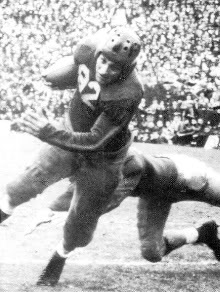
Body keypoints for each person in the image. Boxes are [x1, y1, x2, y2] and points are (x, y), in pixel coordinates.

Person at [35, 147, 220, 286]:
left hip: (189, 177)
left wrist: (60, 251)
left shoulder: (127, 163)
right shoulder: (97, 165)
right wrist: (50, 208)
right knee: (152, 252)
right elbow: (79, 192)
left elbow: (106, 201)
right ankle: (203, 233)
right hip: (157, 193)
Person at [0, 25, 143, 279]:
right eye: (103, 61)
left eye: (114, 67)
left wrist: (48, 133)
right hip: (71, 127)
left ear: (126, 70)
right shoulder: (86, 48)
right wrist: (61, 78)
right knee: (19, 186)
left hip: (104, 158)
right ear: (97, 52)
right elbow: (77, 71)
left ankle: (59, 258)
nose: (105, 70)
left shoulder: (128, 92)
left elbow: (94, 141)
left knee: (80, 225)